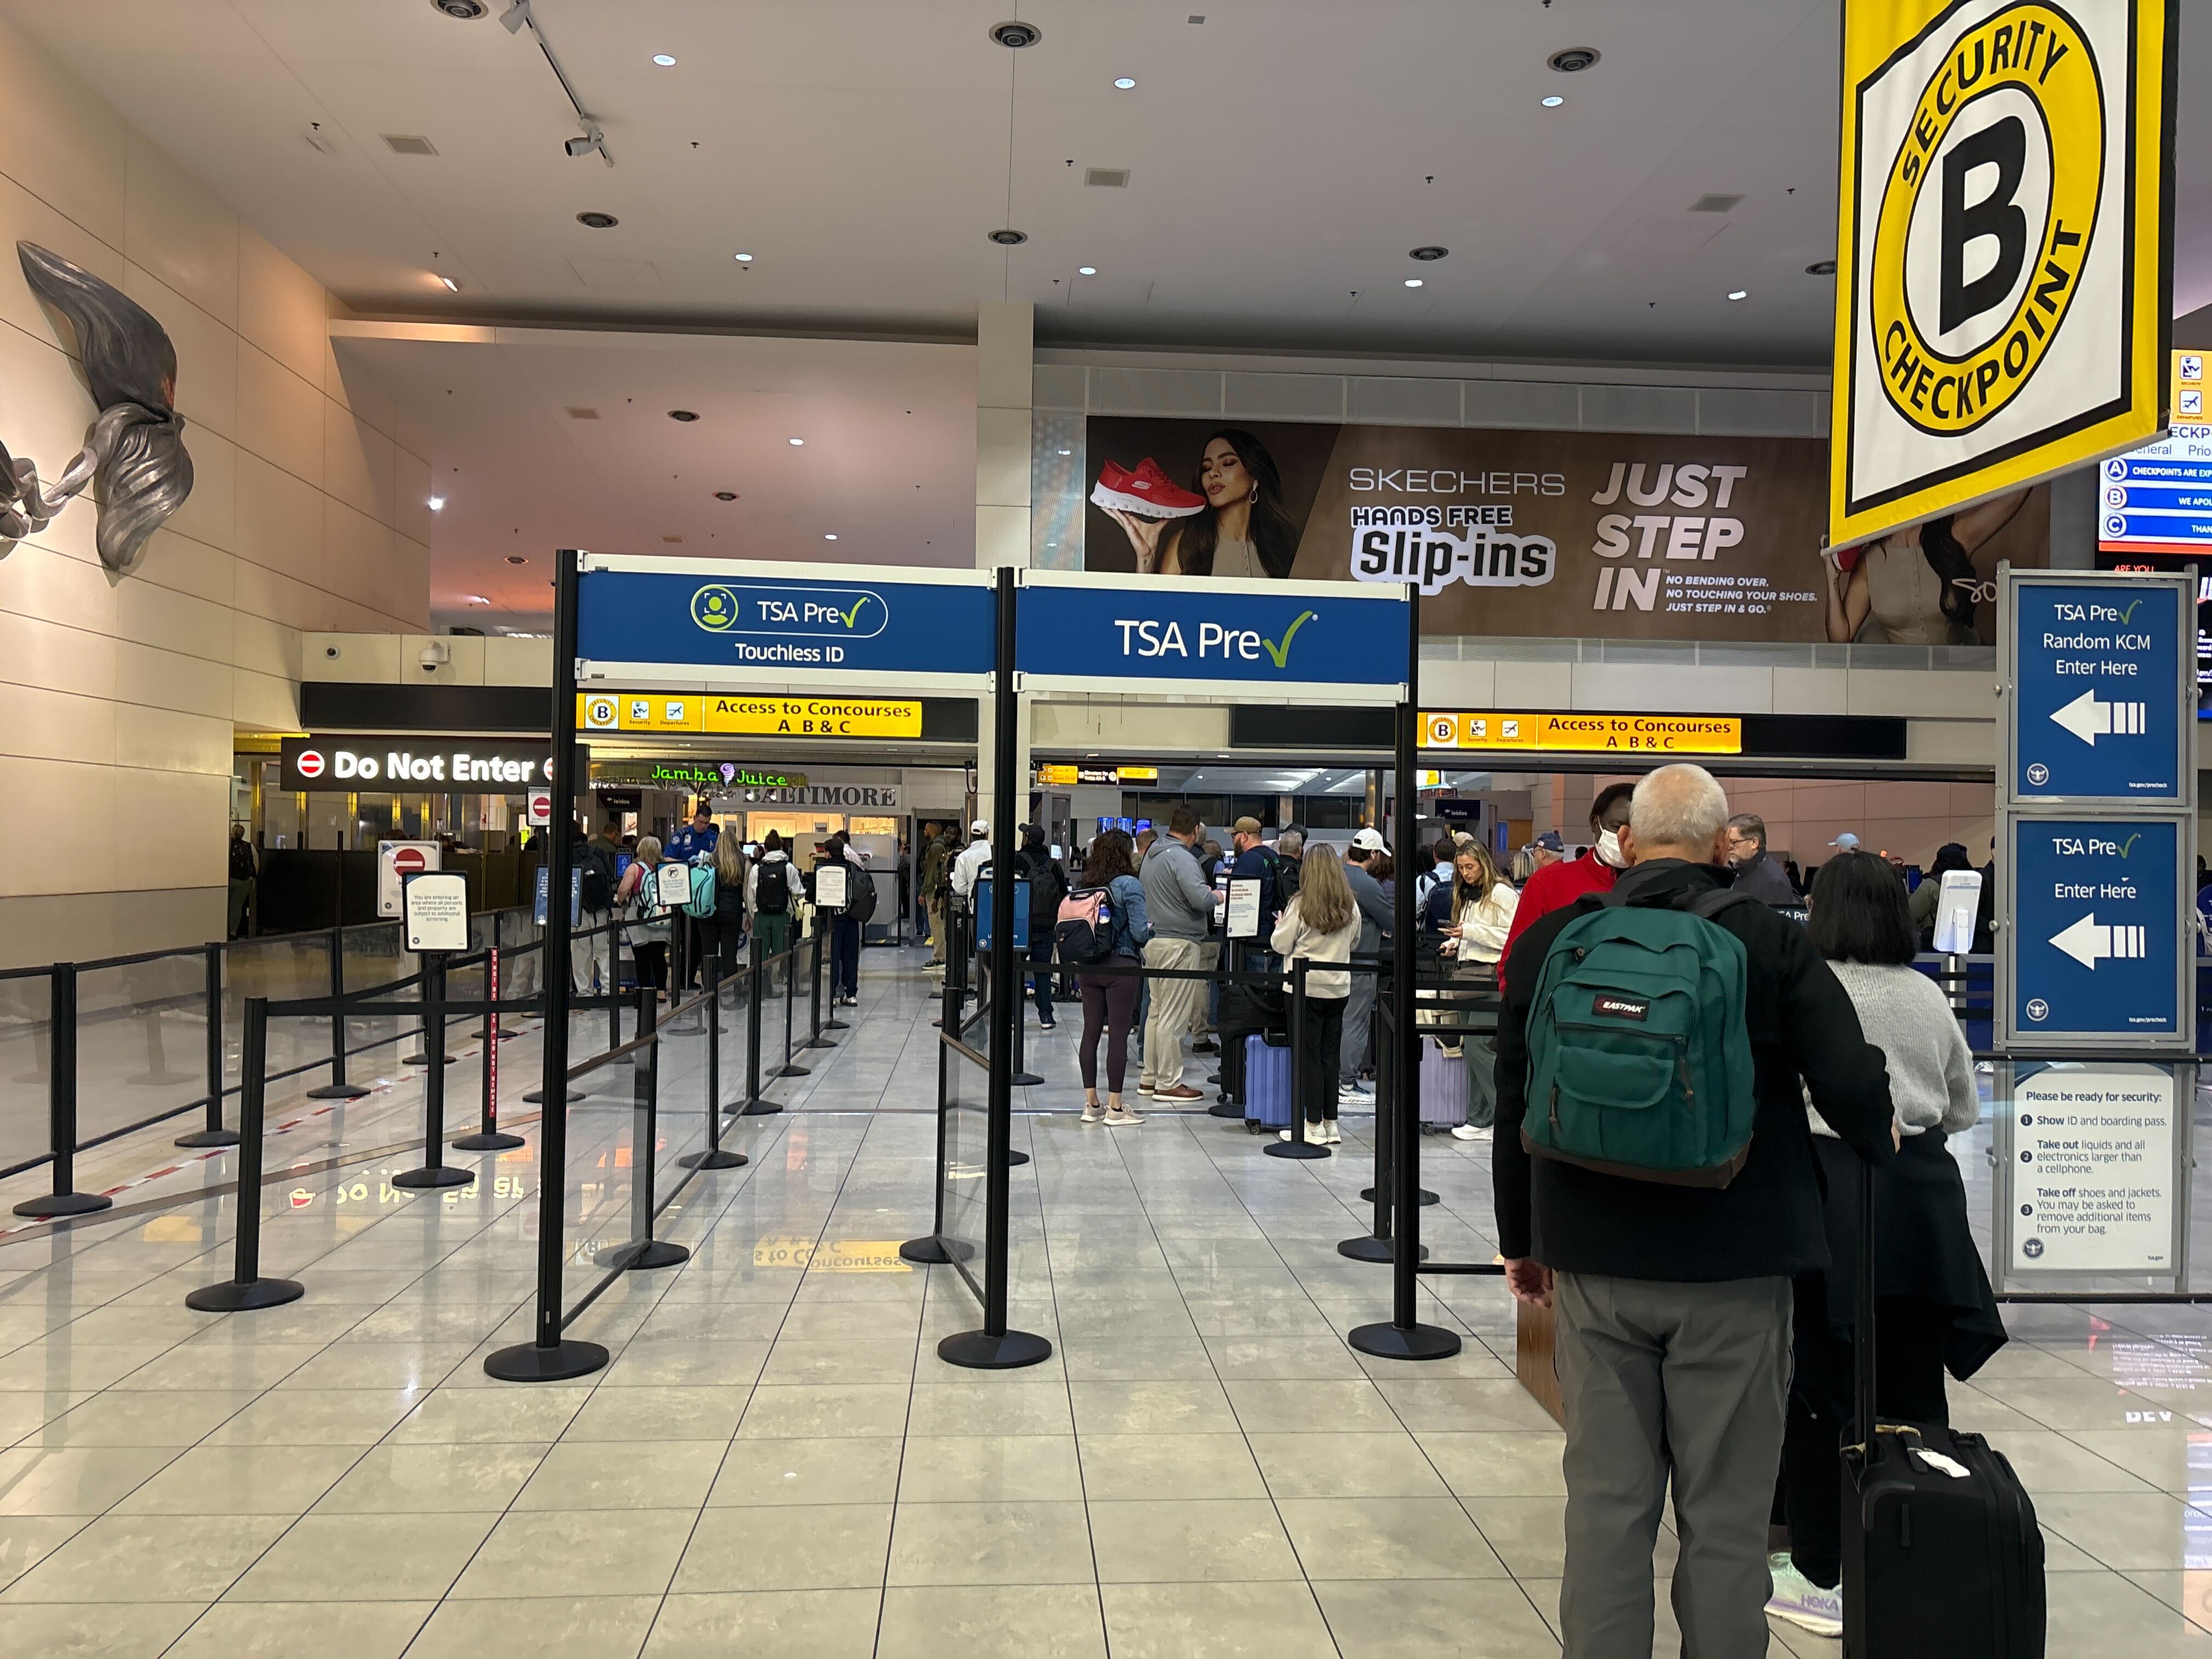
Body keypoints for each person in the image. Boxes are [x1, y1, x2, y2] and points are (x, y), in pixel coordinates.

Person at [1493, 763, 1895, 1659]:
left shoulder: (1556, 937)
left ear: (1626, 842)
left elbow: (1514, 1096)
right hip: (1739, 1265)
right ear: (1726, 845)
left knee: (1604, 1503)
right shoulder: (1771, 940)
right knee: (1724, 1512)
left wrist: (1520, 1240)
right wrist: (1881, 1138)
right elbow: (1852, 1085)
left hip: (1593, 1261)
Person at [1767, 850, 2005, 1637]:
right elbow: (1965, 1108)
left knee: (1819, 1384)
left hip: (1829, 1189)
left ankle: (1820, 1568)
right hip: (1922, 1205)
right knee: (1912, 1385)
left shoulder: (1808, 987)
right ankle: (1912, 1540)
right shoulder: (1926, 996)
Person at [1823, 489, 2027, 645]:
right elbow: (1841, 637)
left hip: (1961, 675)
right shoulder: (1869, 562)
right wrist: (1832, 582)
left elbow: (2016, 496)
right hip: (1902, 681)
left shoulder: (1954, 539)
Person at [1102, 427, 1299, 578]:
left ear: (1255, 476)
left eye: (1228, 463)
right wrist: (1146, 559)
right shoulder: (1187, 544)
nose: (1213, 473)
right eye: (1206, 468)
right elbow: (1155, 619)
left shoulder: (1281, 549)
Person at [1269, 843, 1362, 1144]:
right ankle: (1331, 1123)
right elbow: (1355, 942)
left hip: (1303, 989)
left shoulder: (1300, 904)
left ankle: (1311, 1124)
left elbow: (1280, 945)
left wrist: (1281, 925)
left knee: (1307, 1056)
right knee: (1329, 1056)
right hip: (1338, 988)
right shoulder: (1351, 905)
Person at [1500, 781, 1635, 983]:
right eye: (1616, 827)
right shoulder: (1548, 883)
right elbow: (1513, 966)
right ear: (1594, 823)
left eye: (1636, 830)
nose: (1625, 837)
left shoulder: (1660, 886)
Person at [1430, 839, 1517, 1140]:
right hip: (1469, 974)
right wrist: (1455, 942)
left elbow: (1511, 936)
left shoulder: (1502, 893)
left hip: (1491, 977)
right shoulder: (1468, 896)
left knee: (1481, 1047)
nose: (1465, 873)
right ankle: (1480, 1118)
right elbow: (1473, 933)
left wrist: (1468, 933)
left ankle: (1504, 1116)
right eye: (1461, 868)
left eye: (1470, 867)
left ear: (1483, 863)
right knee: (1471, 1047)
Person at [1075, 829, 1153, 1126]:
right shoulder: (1129, 885)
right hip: (1121, 964)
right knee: (1118, 1035)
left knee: (1090, 1031)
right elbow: (1139, 934)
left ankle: (1091, 1103)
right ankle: (1116, 1108)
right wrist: (1150, 930)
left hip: (1088, 964)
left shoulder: (1086, 883)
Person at [1138, 805, 1214, 1102]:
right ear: (1195, 830)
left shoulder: (1153, 854)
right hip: (1179, 944)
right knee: (1173, 1015)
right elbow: (1199, 898)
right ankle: (1169, 1082)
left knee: (1156, 1012)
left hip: (1154, 941)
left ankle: (1150, 1078)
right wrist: (1215, 896)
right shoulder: (1182, 857)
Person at [1339, 827, 1396, 1104]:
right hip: (1361, 963)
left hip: (1329, 963)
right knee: (1355, 1022)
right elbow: (1392, 921)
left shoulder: (1334, 875)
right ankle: (1347, 1082)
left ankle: (1334, 1080)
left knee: (1334, 1024)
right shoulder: (1367, 885)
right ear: (1373, 854)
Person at [1018, 825, 1069, 1029]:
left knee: (1016, 971)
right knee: (1043, 973)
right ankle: (1046, 1016)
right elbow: (1064, 895)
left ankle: (1013, 1015)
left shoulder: (1017, 860)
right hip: (1047, 928)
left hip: (1021, 927)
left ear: (1027, 838)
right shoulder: (1053, 865)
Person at [747, 830, 805, 995]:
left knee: (761, 952)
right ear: (782, 847)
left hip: (761, 916)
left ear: (765, 849)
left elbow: (751, 895)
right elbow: (799, 892)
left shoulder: (757, 869)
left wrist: (753, 913)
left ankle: (762, 988)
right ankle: (783, 984)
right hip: (782, 915)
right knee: (783, 952)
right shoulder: (789, 868)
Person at [615, 835, 672, 998]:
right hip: (661, 914)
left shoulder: (635, 868)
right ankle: (661, 991)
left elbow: (623, 890)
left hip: (639, 915)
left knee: (642, 956)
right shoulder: (664, 867)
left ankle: (645, 993)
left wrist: (620, 901)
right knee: (659, 955)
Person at [573, 818, 623, 995]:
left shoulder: (565, 854)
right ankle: (608, 989)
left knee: (581, 952)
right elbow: (611, 876)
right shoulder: (596, 852)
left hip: (577, 910)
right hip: (601, 908)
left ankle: (584, 992)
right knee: (604, 951)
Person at [693, 832, 748, 990]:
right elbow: (747, 893)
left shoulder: (708, 859)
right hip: (732, 912)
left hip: (709, 912)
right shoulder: (743, 861)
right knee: (729, 955)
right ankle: (729, 991)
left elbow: (699, 882)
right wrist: (750, 916)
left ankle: (709, 992)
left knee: (708, 955)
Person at [1723, 813, 1797, 907]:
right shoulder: (1739, 871)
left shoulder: (1774, 881)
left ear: (1754, 843)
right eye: (1727, 842)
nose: (1729, 847)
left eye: (1734, 842)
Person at [1910, 841, 1973, 944]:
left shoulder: (1932, 885)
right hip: (1969, 944)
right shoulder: (1974, 883)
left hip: (1936, 948)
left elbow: (1911, 915)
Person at [919, 826, 951, 965]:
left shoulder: (936, 848)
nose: (924, 832)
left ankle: (939, 956)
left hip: (934, 891)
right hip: (939, 889)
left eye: (926, 830)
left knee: (936, 924)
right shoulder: (941, 845)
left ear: (932, 831)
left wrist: (923, 892)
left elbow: (931, 872)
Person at [227, 823, 256, 939]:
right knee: (237, 906)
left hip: (230, 879)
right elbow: (254, 863)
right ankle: (233, 932)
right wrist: (252, 877)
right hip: (244, 881)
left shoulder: (228, 845)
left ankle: (223, 930)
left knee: (226, 905)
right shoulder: (248, 846)